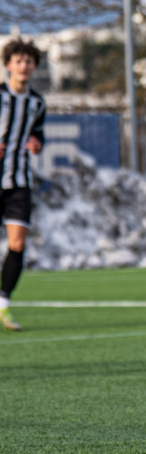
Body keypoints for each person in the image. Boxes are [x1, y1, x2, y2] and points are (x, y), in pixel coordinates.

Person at [0, 39, 46, 332]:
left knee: (17, 244)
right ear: (8, 65)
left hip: (19, 183)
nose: (23, 66)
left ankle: (3, 305)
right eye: (18, 61)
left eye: (28, 62)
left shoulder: (37, 103)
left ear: (35, 66)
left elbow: (38, 133)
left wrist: (37, 144)